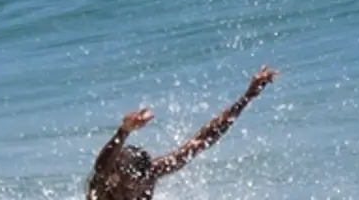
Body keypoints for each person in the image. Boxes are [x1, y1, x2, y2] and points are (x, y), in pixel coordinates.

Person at [85, 67, 278, 200]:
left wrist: (246, 97)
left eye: (135, 188)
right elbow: (101, 165)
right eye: (125, 188)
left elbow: (203, 140)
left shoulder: (151, 172)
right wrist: (124, 131)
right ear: (114, 175)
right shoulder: (102, 187)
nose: (129, 195)